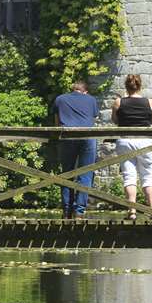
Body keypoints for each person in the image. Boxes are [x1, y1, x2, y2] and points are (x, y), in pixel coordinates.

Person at [53, 78, 101, 218]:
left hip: (67, 136)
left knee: (67, 173)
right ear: (85, 91)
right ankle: (79, 211)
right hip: (87, 137)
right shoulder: (91, 100)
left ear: (73, 89)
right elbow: (93, 118)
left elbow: (56, 123)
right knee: (85, 173)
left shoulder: (60, 99)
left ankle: (67, 210)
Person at [111, 74, 152, 216]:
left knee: (129, 176)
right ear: (140, 86)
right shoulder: (150, 102)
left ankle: (132, 210)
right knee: (147, 175)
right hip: (144, 141)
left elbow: (115, 120)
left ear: (126, 86)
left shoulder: (119, 102)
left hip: (126, 140)